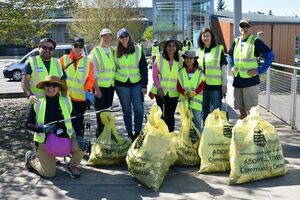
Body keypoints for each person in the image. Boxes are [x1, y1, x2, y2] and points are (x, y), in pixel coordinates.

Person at [25, 75, 86, 178]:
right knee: (49, 174)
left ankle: (72, 166)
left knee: (83, 146)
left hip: (66, 139)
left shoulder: (67, 101)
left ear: (59, 88)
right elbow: (28, 124)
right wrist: (42, 128)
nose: (51, 88)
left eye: (54, 85)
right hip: (44, 143)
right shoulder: (37, 103)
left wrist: (80, 136)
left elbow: (75, 122)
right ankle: (31, 158)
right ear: (44, 87)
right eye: (47, 85)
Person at [228, 19, 275, 119]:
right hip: (238, 81)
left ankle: (253, 132)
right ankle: (244, 131)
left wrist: (260, 70)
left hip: (251, 82)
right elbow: (230, 55)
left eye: (246, 26)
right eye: (242, 26)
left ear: (250, 27)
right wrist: (232, 66)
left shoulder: (255, 41)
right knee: (241, 110)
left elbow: (270, 55)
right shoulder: (236, 41)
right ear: (239, 27)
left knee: (252, 112)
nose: (244, 28)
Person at [114, 28, 148, 140]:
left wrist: (144, 85)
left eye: (126, 36)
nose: (124, 39)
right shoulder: (114, 51)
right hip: (121, 84)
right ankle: (129, 133)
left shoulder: (138, 49)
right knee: (127, 110)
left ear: (129, 36)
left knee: (139, 109)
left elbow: (144, 68)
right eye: (121, 37)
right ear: (118, 39)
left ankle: (137, 132)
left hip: (136, 83)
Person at [60, 37, 95, 136]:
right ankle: (65, 144)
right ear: (72, 46)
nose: (78, 48)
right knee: (66, 121)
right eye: (76, 45)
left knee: (79, 123)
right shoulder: (63, 59)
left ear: (83, 48)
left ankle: (79, 142)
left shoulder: (88, 61)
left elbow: (90, 79)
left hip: (80, 99)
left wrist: (88, 91)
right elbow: (58, 77)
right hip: (66, 97)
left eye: (81, 46)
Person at [149, 38, 183, 132]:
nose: (171, 48)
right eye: (169, 46)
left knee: (170, 115)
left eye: (173, 46)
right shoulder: (159, 58)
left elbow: (186, 72)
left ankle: (170, 136)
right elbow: (154, 76)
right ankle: (161, 135)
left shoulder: (180, 61)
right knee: (162, 115)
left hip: (173, 93)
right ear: (165, 47)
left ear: (176, 48)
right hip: (160, 92)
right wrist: (159, 88)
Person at [196, 27, 228, 123]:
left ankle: (217, 132)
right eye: (203, 36)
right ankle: (207, 131)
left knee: (216, 111)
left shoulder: (219, 49)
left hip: (215, 87)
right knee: (204, 111)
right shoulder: (199, 51)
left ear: (212, 37)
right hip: (202, 86)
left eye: (208, 36)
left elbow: (223, 68)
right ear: (201, 37)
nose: (205, 38)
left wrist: (224, 84)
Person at [22, 38, 67, 104]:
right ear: (39, 48)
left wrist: (64, 98)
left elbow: (63, 83)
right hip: (37, 102)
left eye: (50, 49)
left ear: (54, 50)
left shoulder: (58, 63)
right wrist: (29, 95)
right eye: (44, 47)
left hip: (55, 102)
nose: (47, 50)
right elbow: (25, 82)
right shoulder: (31, 62)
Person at [89, 28, 116, 138]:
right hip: (100, 88)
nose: (107, 38)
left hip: (110, 87)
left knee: (108, 112)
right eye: (104, 36)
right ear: (100, 37)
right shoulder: (95, 52)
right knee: (100, 114)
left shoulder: (112, 50)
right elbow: (93, 72)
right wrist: (97, 89)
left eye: (109, 36)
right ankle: (100, 135)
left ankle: (107, 133)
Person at [177, 50, 205, 132]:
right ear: (184, 60)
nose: (188, 60)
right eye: (186, 58)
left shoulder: (199, 71)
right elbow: (178, 85)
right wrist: (184, 92)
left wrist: (195, 92)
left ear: (194, 60)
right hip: (184, 101)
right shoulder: (181, 71)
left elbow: (202, 84)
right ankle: (186, 141)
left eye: (191, 59)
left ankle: (199, 140)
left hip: (196, 102)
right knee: (185, 123)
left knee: (197, 122)